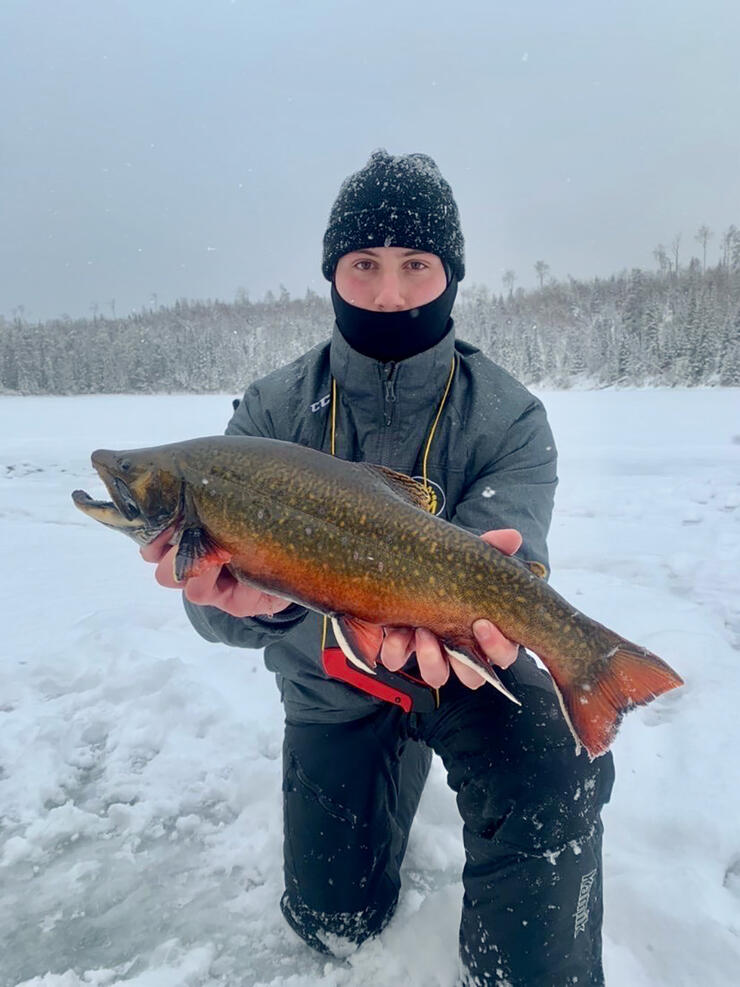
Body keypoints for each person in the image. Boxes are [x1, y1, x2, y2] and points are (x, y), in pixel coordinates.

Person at [142, 150, 615, 986]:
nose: (390, 293)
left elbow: (511, 559)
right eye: (364, 266)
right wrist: (251, 604)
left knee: (557, 766)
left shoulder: (508, 416)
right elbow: (209, 608)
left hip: (462, 673)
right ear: (333, 273)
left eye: (415, 266)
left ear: (451, 275)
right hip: (329, 691)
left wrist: (491, 616)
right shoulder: (268, 416)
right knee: (332, 923)